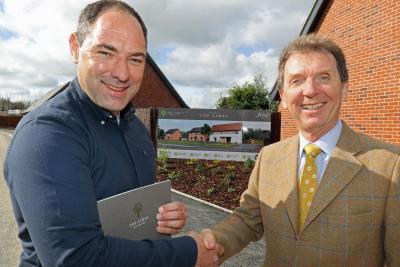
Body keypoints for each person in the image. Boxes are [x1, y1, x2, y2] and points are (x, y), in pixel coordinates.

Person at [3, 1, 221, 266]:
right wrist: (189, 254)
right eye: (106, 52)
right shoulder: (47, 136)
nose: (122, 73)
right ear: (75, 47)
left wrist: (161, 218)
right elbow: (76, 259)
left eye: (135, 59)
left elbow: (128, 215)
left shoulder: (136, 130)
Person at [201, 34, 400, 266]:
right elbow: (248, 220)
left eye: (323, 77)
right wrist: (210, 242)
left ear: (344, 89)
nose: (310, 90)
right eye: (296, 81)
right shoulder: (269, 157)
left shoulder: (390, 165)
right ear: (284, 98)